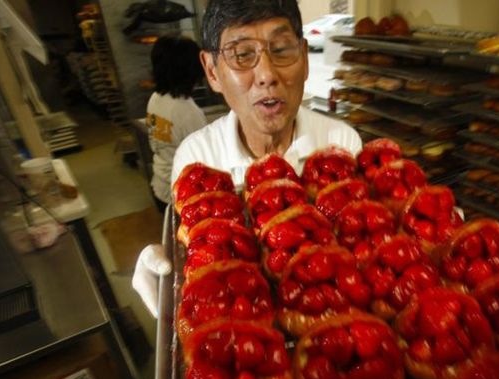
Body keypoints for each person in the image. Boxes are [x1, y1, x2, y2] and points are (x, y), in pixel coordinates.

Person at [133, 0, 362, 315]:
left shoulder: (341, 144)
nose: (267, 75)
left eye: (281, 49)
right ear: (212, 71)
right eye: (242, 55)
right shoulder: (197, 158)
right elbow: (197, 251)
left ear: (305, 58)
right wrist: (175, 277)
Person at [146, 34, 208, 211]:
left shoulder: (156, 98)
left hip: (160, 183)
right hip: (181, 195)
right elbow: (204, 163)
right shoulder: (187, 111)